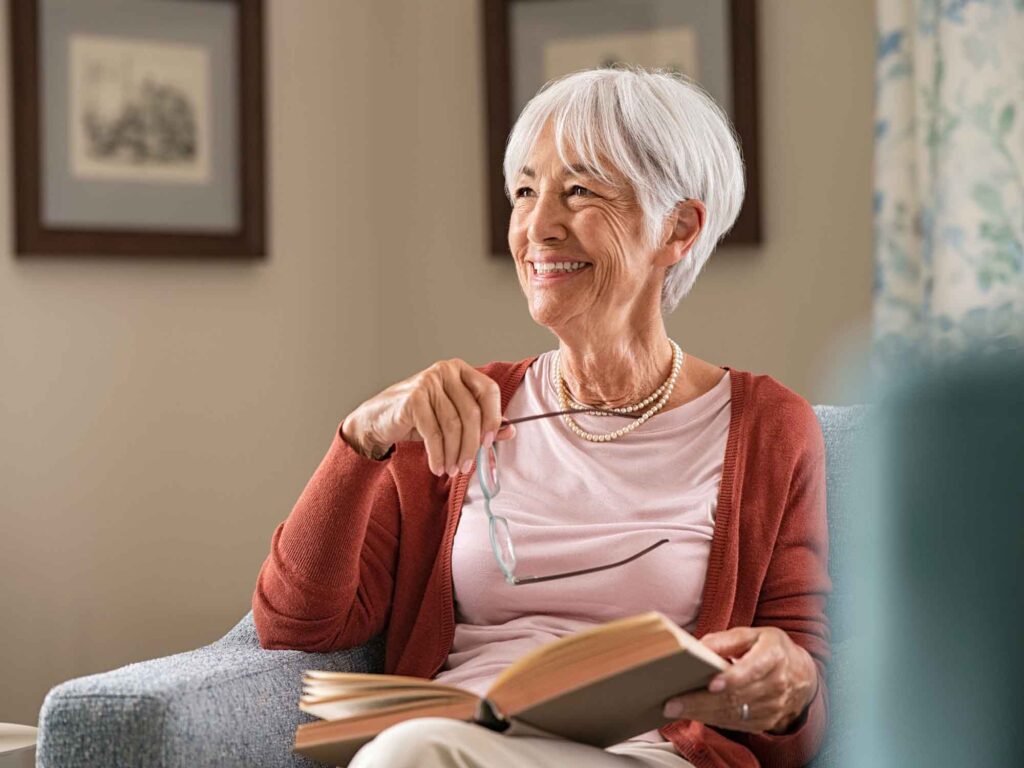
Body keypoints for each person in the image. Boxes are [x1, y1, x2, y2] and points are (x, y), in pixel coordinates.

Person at [252, 66, 830, 768]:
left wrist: (788, 684)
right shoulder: (458, 412)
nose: (537, 228)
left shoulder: (768, 428)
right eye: (525, 192)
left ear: (678, 227)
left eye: (579, 191)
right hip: (458, 739)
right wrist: (361, 438)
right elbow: (295, 623)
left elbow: (801, 711)